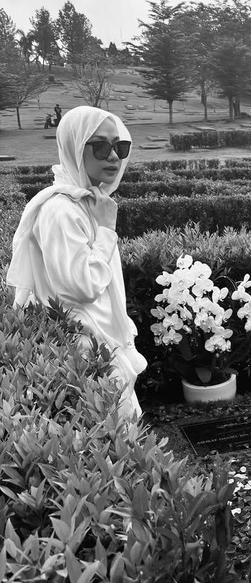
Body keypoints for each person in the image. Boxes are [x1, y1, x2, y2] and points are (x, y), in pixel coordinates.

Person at [7, 105, 146, 418]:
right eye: (99, 146)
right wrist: (108, 229)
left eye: (120, 146)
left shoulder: (87, 202)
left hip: (102, 346)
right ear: (73, 146)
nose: (113, 156)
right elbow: (82, 288)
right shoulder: (62, 211)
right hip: (87, 352)